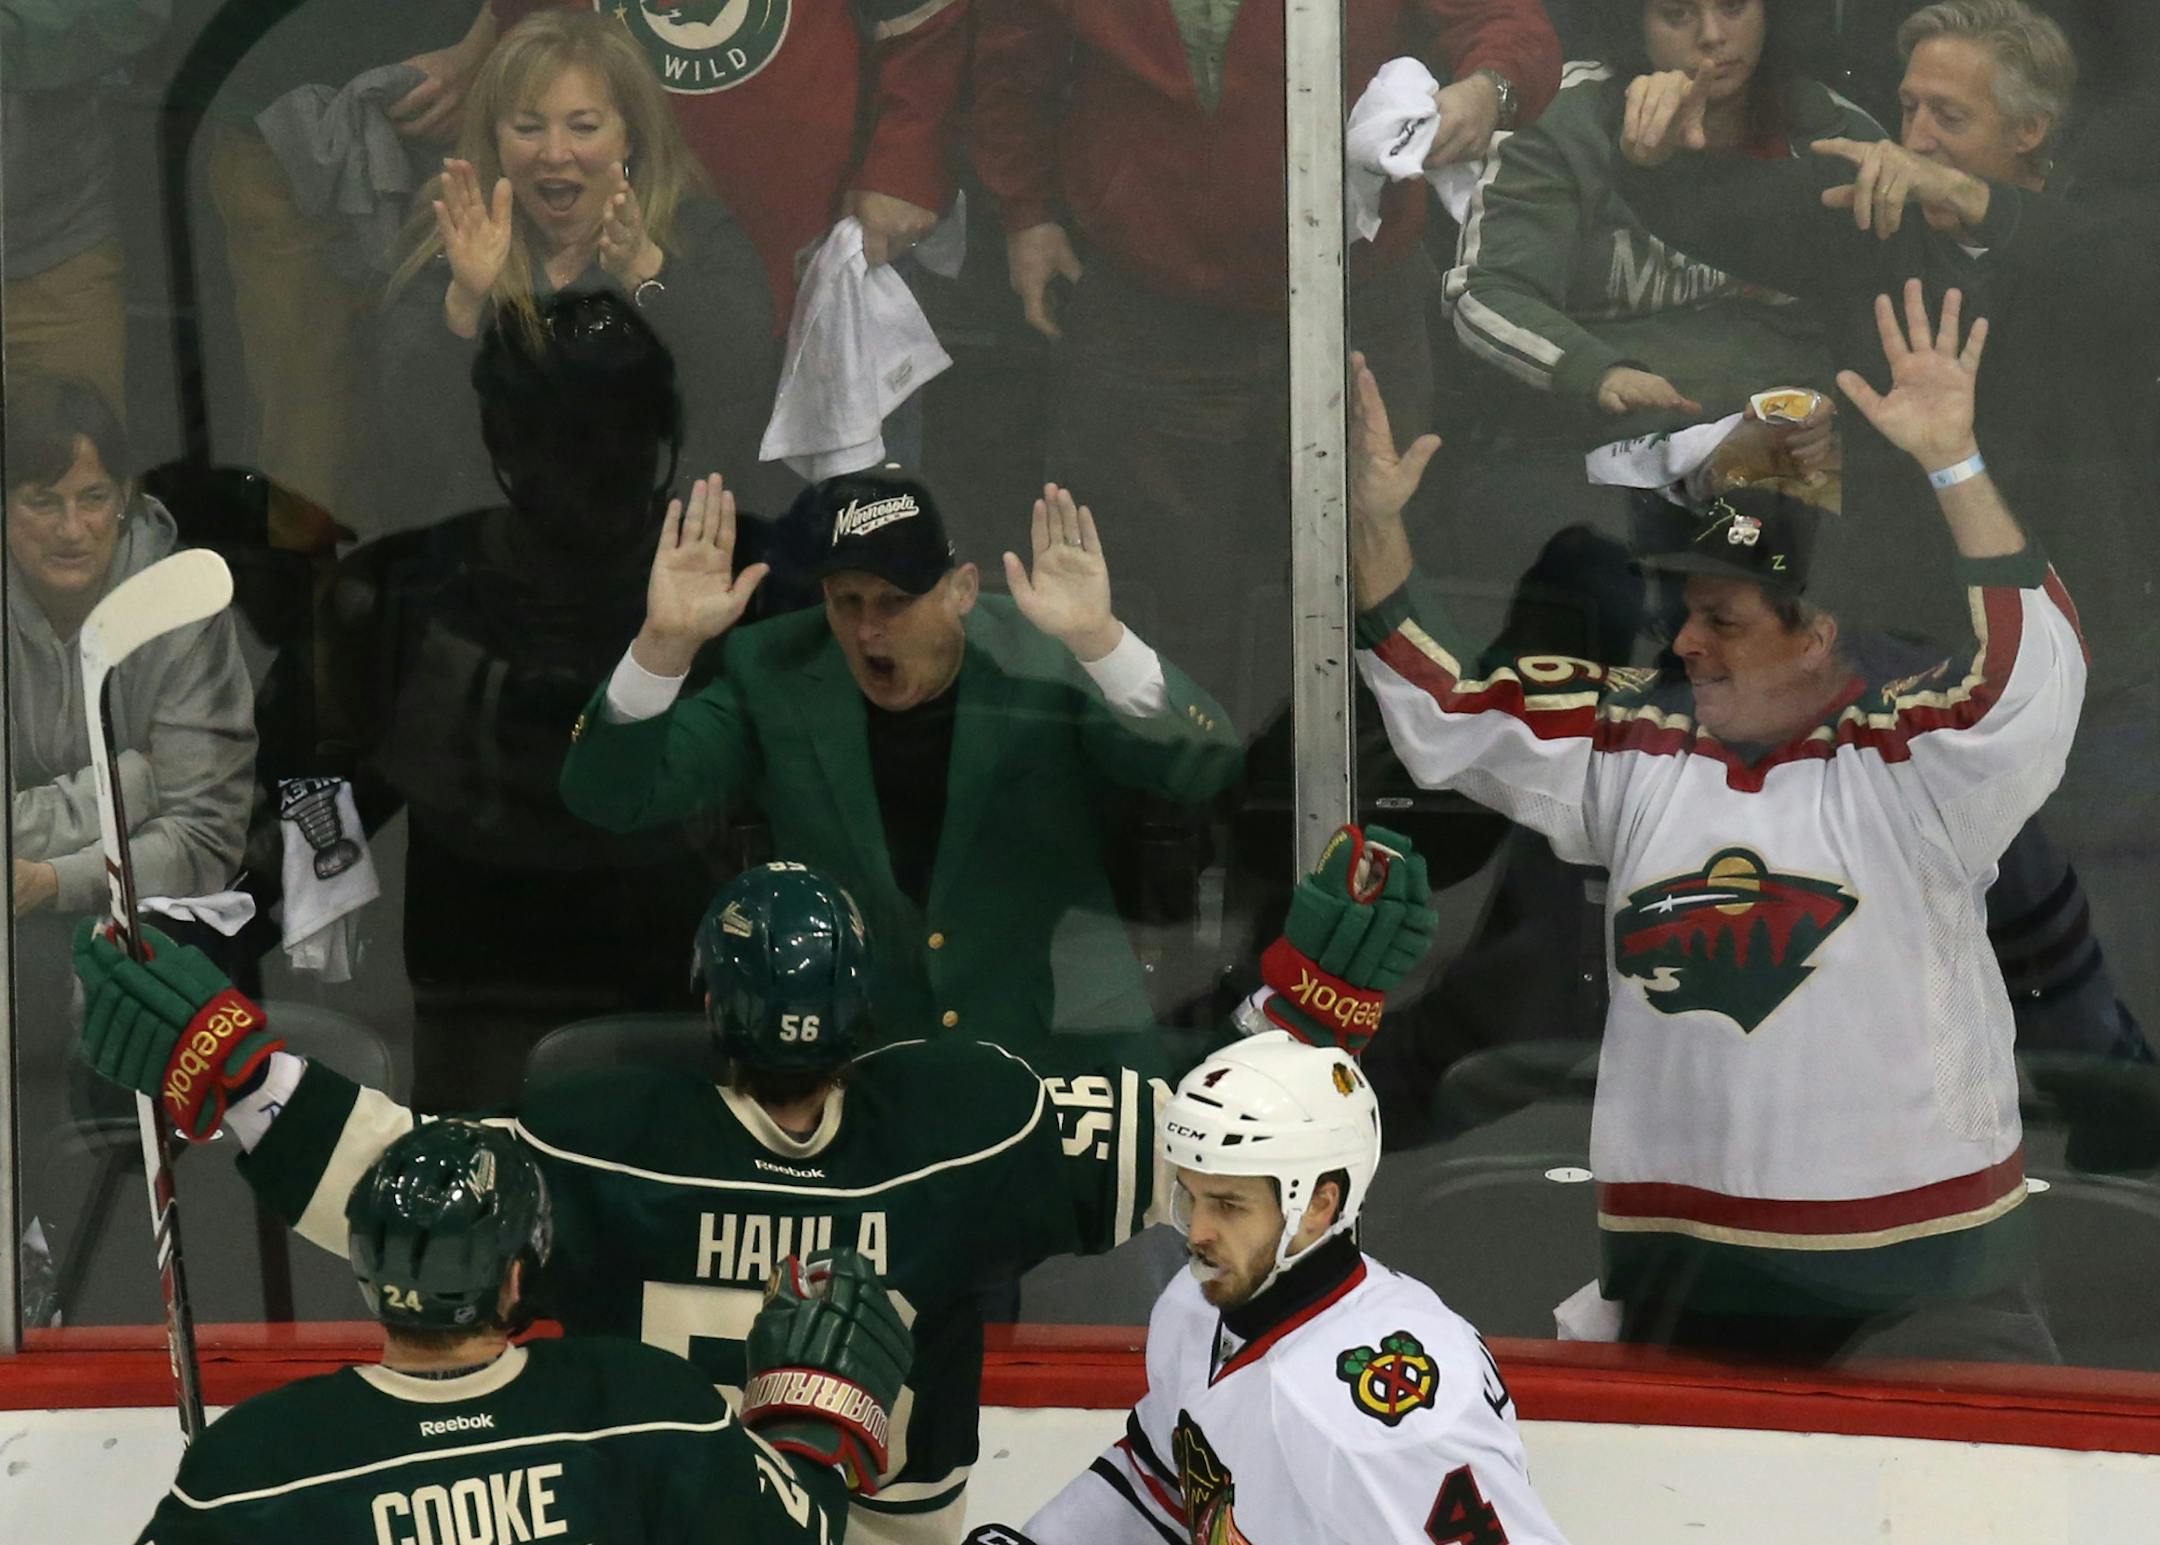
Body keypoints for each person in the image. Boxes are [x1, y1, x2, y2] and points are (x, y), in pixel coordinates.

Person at [73, 836, 1436, 1545]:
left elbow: (408, 1188)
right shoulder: (967, 1124)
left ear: (704, 1002)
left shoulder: (607, 1134)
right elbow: (1212, 1144)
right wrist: (1298, 1022)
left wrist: (237, 1076)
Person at [1347, 281, 2083, 1359]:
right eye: (1684, 614)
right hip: (1685, 1278)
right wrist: (1374, 523)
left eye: (1722, 620)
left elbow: (2035, 678)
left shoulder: (1917, 761)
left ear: (1816, 633)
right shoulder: (1634, 746)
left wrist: (1952, 463)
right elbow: (1445, 711)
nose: (1685, 642)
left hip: (1924, 1288)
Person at [1611, 0, 2160, 1017]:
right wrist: (1660, 154)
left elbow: (2116, 267)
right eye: (1908, 110)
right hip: (1914, 647)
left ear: (2030, 130)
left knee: (2099, 949)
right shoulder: (1876, 218)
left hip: (2093, 652)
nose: (1915, 139)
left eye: (1950, 117)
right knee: (1910, 943)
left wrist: (1976, 202)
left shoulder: (2100, 228)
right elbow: (1723, 211)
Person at [969, 0, 1562, 705]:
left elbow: (1507, 21)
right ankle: (1176, 763)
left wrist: (1490, 90)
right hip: (1151, 298)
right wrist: (1026, 212)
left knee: (1374, 582)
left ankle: (1373, 770)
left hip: (1357, 297)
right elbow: (1012, 55)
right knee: (1152, 591)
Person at [558, 465, 1244, 1050]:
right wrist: (664, 644)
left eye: (895, 600)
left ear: (961, 591)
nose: (868, 629)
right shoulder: (773, 670)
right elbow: (610, 797)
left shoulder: (1047, 650)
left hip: (1062, 1052)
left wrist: (1101, 641)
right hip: (867, 1061)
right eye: (847, 601)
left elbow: (1203, 769)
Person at [131, 1118, 907, 1542]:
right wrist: (817, 1427)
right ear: (514, 1275)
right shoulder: (647, 1403)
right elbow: (801, 1535)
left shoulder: (250, 1468)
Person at [324, 288, 721, 1107]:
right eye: (563, 431)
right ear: (503, 442)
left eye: (615, 427)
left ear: (660, 436)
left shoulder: (725, 595)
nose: (591, 458)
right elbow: (320, 783)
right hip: (475, 999)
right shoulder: (409, 596)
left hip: (667, 994)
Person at [962, 1032, 1573, 1545]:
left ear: (1319, 1206)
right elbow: (1159, 1486)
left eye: (1229, 1205)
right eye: (1192, 1196)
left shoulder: (1381, 1421)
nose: (1197, 1232)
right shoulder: (1196, 1306)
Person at [370, 9, 773, 538]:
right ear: (495, 140)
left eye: (583, 127)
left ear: (630, 138)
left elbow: (740, 383)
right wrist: (464, 303)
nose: (554, 154)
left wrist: (647, 273)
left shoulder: (695, 235)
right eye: (528, 128)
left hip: (655, 547)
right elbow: (409, 443)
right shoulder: (452, 238)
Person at [1448, 0, 1882, 442]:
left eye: (1733, 7)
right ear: (1633, 22)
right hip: (1597, 439)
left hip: (1786, 441)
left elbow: (1880, 337)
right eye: (1678, 15)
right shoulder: (1565, 111)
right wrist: (1598, 373)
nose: (1712, 35)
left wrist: (1839, 417)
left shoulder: (1836, 132)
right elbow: (1486, 291)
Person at [189, 0, 502, 548]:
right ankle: (307, 593)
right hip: (278, 119)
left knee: (463, 400)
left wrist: (485, 45)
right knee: (308, 423)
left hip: (466, 110)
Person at [489, 0, 967, 319]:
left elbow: (925, 15)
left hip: (822, 245)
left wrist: (907, 162)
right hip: (599, 251)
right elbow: (521, 26)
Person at [7, 374, 256, 924]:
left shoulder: (182, 607)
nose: (72, 529)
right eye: (43, 503)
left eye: (93, 498)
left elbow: (206, 839)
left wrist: (53, 881)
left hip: (153, 924)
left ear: (124, 497)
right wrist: (136, 782)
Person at [1, 0, 165, 413]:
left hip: (56, 251)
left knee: (80, 447)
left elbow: (139, 8)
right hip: (59, 239)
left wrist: (19, 36)